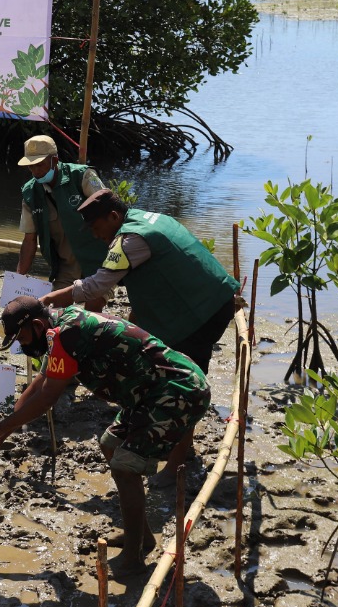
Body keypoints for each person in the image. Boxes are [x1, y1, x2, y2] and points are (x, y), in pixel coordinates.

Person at [0, 296, 211, 575]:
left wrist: (2, 426)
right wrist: (3, 431)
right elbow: (40, 383)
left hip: (176, 390)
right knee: (110, 445)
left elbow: (47, 399)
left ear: (38, 326)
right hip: (147, 393)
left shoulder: (66, 335)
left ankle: (133, 557)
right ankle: (142, 538)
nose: (23, 345)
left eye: (23, 337)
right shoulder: (58, 328)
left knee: (125, 466)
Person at [42, 188, 238, 468]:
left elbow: (96, 286)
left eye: (97, 228)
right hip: (214, 297)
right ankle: (180, 448)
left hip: (200, 313)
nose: (97, 236)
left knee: (181, 384)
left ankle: (176, 464)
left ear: (113, 216)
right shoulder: (150, 218)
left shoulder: (130, 239)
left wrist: (49, 298)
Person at [15, 134, 108, 310]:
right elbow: (29, 240)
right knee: (53, 313)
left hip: (98, 263)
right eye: (30, 167)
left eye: (40, 165)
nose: (35, 171)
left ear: (55, 160)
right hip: (66, 268)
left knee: (92, 312)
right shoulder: (30, 193)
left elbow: (109, 210)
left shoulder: (83, 176)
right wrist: (17, 279)